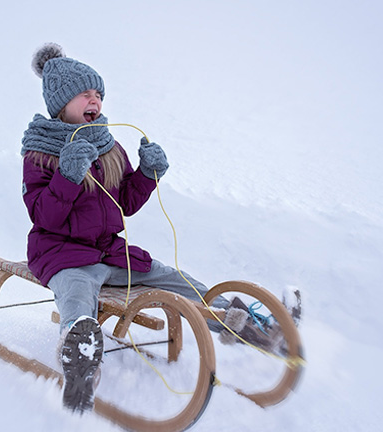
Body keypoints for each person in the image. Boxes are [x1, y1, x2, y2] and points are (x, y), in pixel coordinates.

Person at [21, 43, 235, 413]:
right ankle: (80, 360)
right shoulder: (40, 153)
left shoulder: (109, 146)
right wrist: (68, 175)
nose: (95, 100)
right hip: (62, 255)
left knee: (170, 276)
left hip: (109, 251)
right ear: (61, 103)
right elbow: (44, 217)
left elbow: (126, 206)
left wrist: (148, 174)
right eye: (85, 93)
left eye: (99, 94)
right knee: (76, 292)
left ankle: (236, 319)